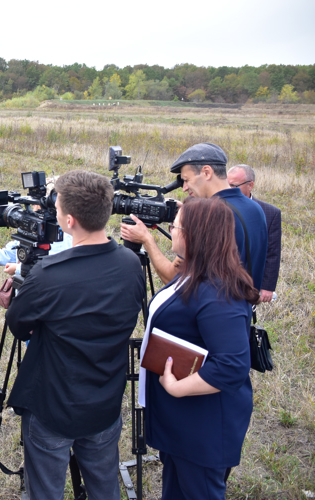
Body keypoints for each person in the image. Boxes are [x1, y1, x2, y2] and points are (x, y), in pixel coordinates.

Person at [5, 170, 144, 499]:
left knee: (45, 490)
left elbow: (18, 325)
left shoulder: (49, 275)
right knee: (104, 486)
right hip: (105, 403)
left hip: (53, 407)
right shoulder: (131, 264)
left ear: (68, 221)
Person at [140, 197, 257, 499]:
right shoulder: (194, 273)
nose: (171, 230)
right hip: (183, 423)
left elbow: (231, 365)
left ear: (194, 235)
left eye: (175, 225)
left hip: (201, 428)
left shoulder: (218, 293)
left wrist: (178, 388)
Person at [120, 143, 268, 291]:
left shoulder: (209, 217)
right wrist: (186, 215)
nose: (184, 187)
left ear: (207, 172)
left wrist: (146, 239)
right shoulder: (255, 209)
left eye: (186, 179)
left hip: (209, 310)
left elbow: (174, 278)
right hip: (242, 309)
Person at [227, 164, 281, 302]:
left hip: (250, 281)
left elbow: (272, 252)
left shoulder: (270, 213)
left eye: (234, 185)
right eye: (227, 185)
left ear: (250, 185)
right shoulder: (219, 206)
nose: (229, 189)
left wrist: (267, 287)